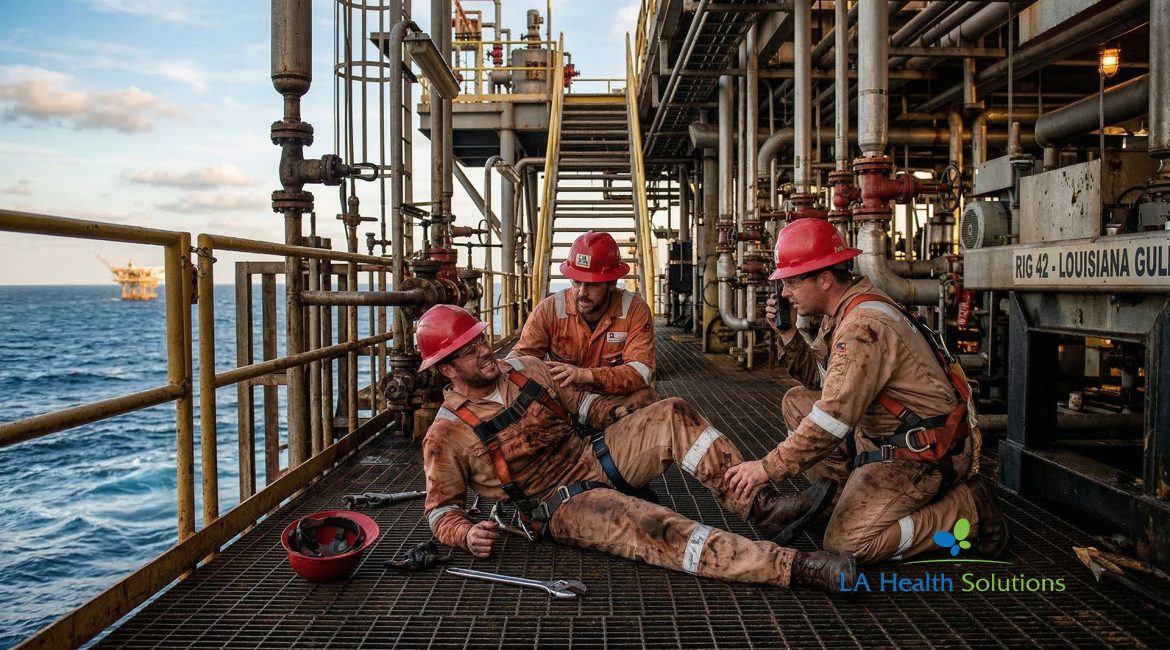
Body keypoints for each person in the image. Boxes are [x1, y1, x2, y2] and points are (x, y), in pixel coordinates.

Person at [417, 303, 856, 592]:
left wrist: (628, 417)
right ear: (447, 369)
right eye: (468, 349)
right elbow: (440, 510)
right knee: (656, 528)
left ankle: (763, 506)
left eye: (479, 338)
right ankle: (796, 566)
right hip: (559, 503)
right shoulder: (446, 435)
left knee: (672, 412)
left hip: (589, 457)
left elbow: (584, 407)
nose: (483, 349)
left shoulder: (526, 368)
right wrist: (465, 533)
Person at [724, 218, 1009, 564]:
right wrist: (787, 337)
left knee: (846, 545)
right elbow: (821, 381)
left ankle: (967, 509)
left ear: (825, 279)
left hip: (924, 451)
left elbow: (831, 419)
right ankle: (841, 499)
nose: (785, 293)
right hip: (883, 431)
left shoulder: (862, 327)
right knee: (797, 402)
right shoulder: (844, 310)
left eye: (793, 282)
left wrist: (766, 468)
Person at [509, 231, 659, 412]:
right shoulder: (549, 309)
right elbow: (521, 358)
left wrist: (587, 375)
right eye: (576, 282)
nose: (581, 292)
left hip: (613, 398)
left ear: (611, 283)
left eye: (592, 284)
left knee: (648, 399)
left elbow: (640, 372)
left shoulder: (634, 310)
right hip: (565, 399)